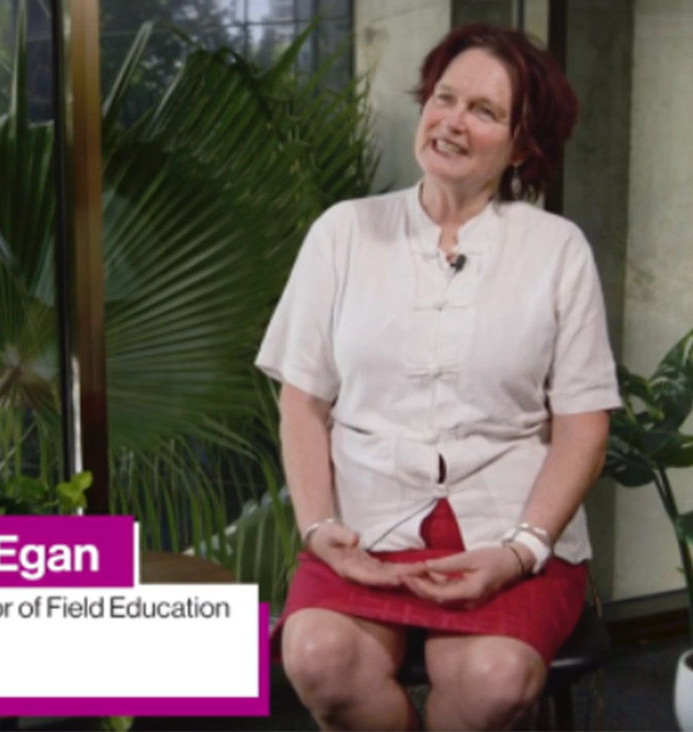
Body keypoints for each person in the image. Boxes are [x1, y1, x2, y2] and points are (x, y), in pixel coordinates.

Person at [254, 23, 621, 732]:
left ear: (521, 145)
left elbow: (583, 424)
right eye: (443, 98)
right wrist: (320, 525)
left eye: (482, 111)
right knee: (319, 658)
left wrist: (522, 551)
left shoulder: (557, 250)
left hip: (506, 528)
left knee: (491, 680)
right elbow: (302, 402)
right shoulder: (343, 232)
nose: (452, 120)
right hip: (366, 523)